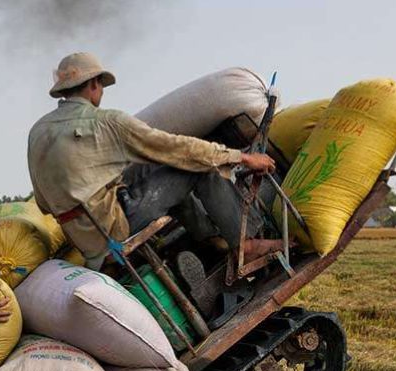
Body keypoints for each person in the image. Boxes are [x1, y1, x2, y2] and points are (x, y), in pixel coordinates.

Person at [27, 52, 279, 270]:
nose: (101, 91)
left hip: (87, 242)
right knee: (197, 167)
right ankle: (245, 244)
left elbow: (43, 204)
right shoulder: (106, 122)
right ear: (93, 84)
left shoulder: (37, 133)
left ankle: (211, 239)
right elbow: (175, 148)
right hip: (115, 230)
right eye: (101, 85)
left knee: (155, 167)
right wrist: (242, 157)